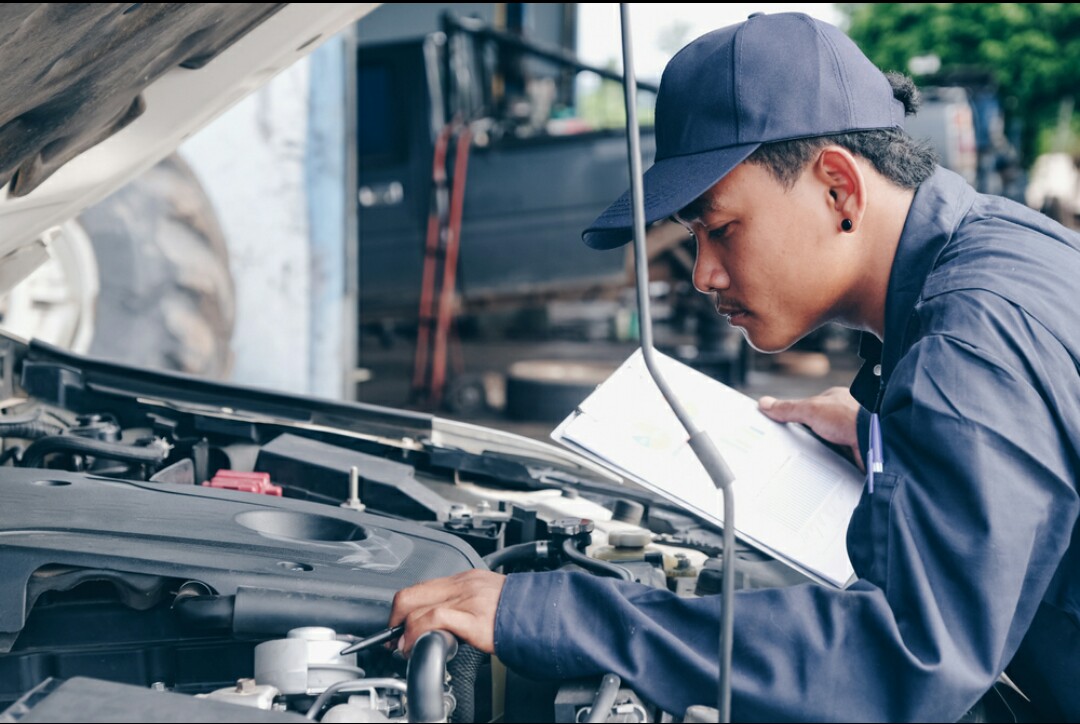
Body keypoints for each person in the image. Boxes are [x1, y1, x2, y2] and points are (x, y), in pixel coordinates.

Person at [390, 12, 1080, 721]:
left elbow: (900, 665)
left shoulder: (970, 348)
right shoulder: (1001, 248)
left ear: (838, 189)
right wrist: (893, 434)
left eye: (719, 230)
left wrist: (567, 617)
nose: (703, 275)